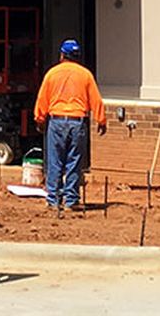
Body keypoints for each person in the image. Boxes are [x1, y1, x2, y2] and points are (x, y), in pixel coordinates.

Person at [33, 39, 106, 213]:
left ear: (62, 55)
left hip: (56, 120)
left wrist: (39, 119)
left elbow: (42, 98)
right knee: (74, 162)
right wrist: (101, 120)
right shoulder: (85, 74)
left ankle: (53, 200)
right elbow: (96, 99)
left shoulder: (52, 74)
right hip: (77, 122)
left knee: (55, 161)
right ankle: (71, 201)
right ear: (77, 56)